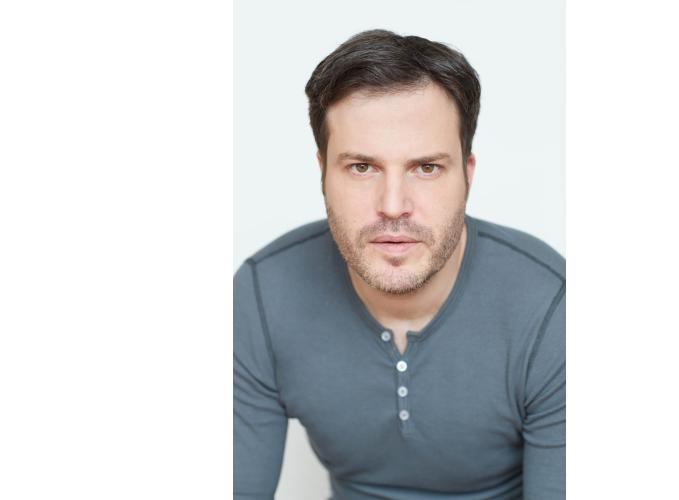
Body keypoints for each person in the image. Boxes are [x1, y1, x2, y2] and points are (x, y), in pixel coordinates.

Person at [234, 29, 565, 500]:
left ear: (467, 176)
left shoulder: (552, 306)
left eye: (426, 168)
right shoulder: (262, 295)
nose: (392, 205)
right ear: (323, 173)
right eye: (361, 167)